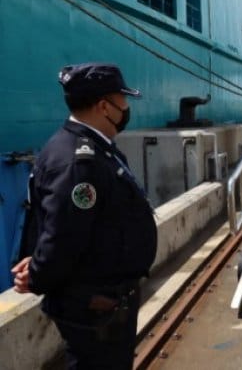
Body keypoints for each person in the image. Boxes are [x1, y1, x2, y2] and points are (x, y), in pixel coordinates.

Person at [11, 63, 158, 369]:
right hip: (95, 309)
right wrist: (38, 273)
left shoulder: (96, 149)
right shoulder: (79, 163)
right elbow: (64, 235)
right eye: (123, 100)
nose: (127, 108)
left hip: (107, 303)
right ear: (104, 106)